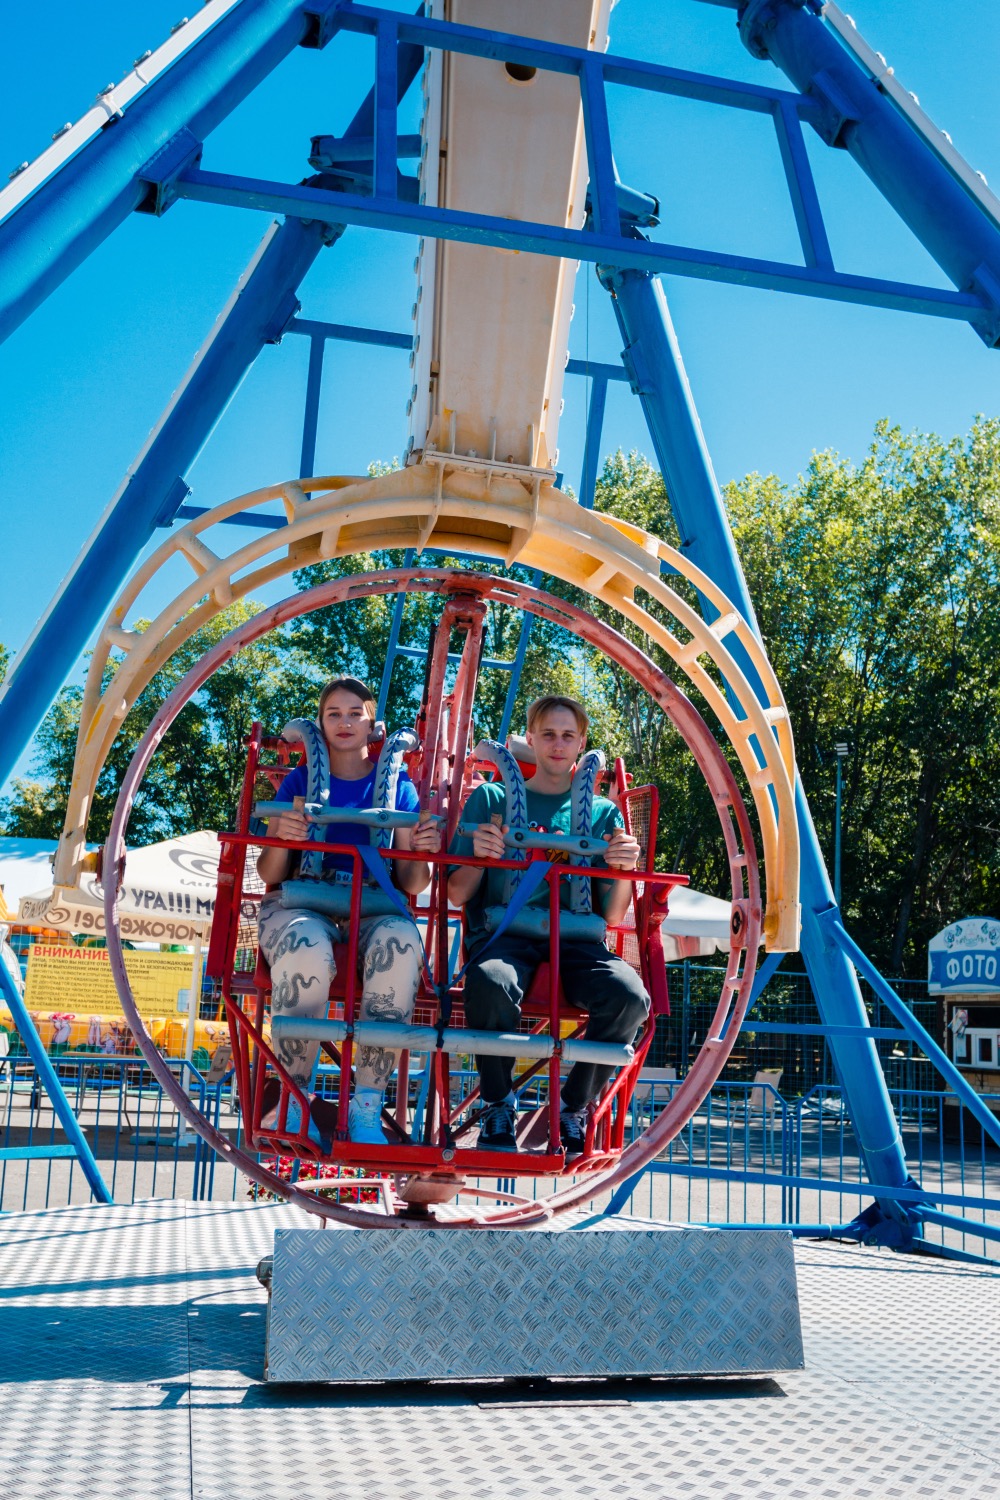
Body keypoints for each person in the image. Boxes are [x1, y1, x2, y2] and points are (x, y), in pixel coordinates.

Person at [447, 694, 649, 1156]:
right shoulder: (491, 799)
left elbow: (613, 915)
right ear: (531, 739)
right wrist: (481, 857)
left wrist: (622, 868)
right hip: (505, 934)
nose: (558, 745)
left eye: (568, 736)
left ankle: (573, 1105)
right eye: (549, 734)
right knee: (490, 981)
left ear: (581, 744)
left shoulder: (601, 814)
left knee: (630, 998)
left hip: (576, 939)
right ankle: (499, 1100)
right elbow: (457, 893)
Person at [256, 676, 440, 1145]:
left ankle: (367, 1103)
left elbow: (413, 883)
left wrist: (421, 850)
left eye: (354, 713)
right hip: (304, 901)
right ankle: (294, 1097)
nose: (344, 722)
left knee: (401, 944)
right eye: (333, 714)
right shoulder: (299, 780)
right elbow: (269, 870)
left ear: (371, 722)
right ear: (320, 722)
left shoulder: (396, 786)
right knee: (306, 945)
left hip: (373, 907)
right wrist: (285, 837)